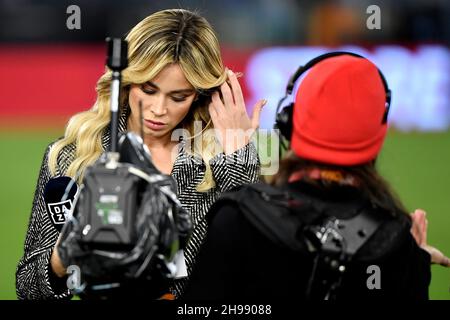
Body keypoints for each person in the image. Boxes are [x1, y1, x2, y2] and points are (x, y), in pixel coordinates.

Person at [16, 9, 264, 300]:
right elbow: (28, 290)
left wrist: (241, 162)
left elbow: (255, 272)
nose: (159, 109)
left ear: (199, 94)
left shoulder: (224, 160)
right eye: (148, 89)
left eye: (178, 97)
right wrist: (63, 254)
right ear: (127, 80)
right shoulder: (73, 156)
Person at [183, 53, 449, 300]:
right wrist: (414, 267)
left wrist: (238, 175)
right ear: (377, 138)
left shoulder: (237, 219)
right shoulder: (397, 244)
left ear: (289, 120)